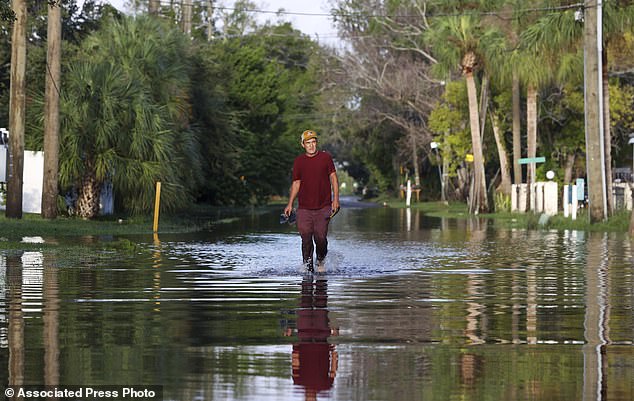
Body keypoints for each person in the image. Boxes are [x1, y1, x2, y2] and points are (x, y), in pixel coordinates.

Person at [284, 130, 340, 272]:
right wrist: (290, 204)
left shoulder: (326, 158)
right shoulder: (299, 161)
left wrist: (336, 199)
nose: (311, 145)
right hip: (304, 208)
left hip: (323, 206)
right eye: (308, 143)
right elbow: (296, 183)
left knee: (320, 238)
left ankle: (320, 260)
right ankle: (307, 268)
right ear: (303, 144)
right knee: (306, 237)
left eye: (313, 142)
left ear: (316, 143)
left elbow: (333, 178)